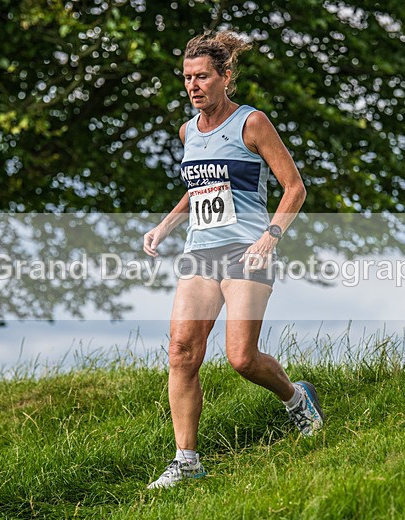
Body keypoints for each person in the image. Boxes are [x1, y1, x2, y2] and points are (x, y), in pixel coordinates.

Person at [143, 30, 324, 490]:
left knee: (241, 358)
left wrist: (272, 235)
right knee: (181, 351)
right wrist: (166, 225)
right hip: (200, 254)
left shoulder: (251, 123)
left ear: (225, 77)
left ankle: (297, 398)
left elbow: (295, 188)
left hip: (248, 253)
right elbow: (199, 187)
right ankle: (187, 461)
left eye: (202, 76)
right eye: (187, 78)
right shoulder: (188, 132)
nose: (193, 86)